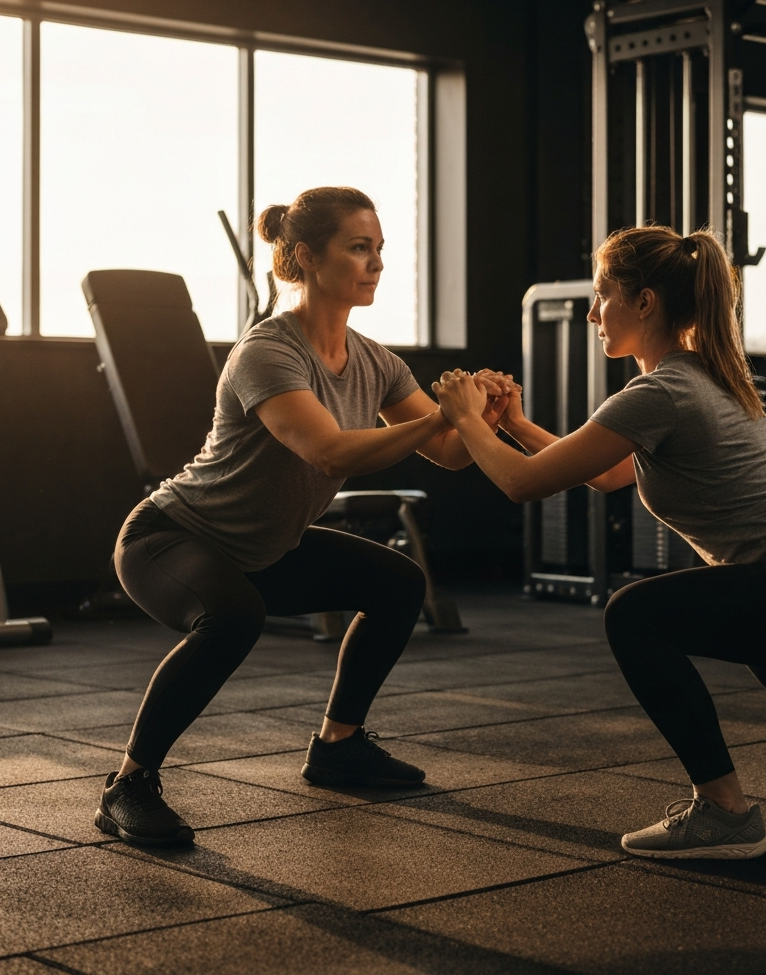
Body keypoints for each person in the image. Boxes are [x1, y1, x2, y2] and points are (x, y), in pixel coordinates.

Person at [433, 225, 766, 861]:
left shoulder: (660, 391)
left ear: (645, 303)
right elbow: (605, 474)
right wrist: (514, 423)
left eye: (603, 293)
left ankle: (725, 813)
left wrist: (465, 416)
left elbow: (522, 484)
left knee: (634, 616)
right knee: (747, 603)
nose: (591, 310)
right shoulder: (705, 377)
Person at [96, 186, 506, 847]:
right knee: (232, 617)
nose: (374, 264)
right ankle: (128, 786)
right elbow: (327, 449)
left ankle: (338, 747)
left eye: (379, 250)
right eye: (358, 248)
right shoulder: (269, 352)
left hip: (265, 547)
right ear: (309, 258)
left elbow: (449, 455)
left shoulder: (376, 360)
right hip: (171, 539)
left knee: (397, 583)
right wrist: (443, 412)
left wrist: (481, 417)